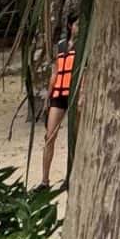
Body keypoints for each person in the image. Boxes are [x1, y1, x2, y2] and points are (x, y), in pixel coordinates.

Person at [38, 27, 79, 189]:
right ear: (70, 26)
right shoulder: (61, 46)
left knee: (74, 137)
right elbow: (54, 73)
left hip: (74, 94)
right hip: (58, 94)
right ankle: (44, 180)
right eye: (76, 24)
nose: (79, 27)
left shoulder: (83, 46)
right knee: (49, 136)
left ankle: (71, 176)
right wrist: (48, 97)